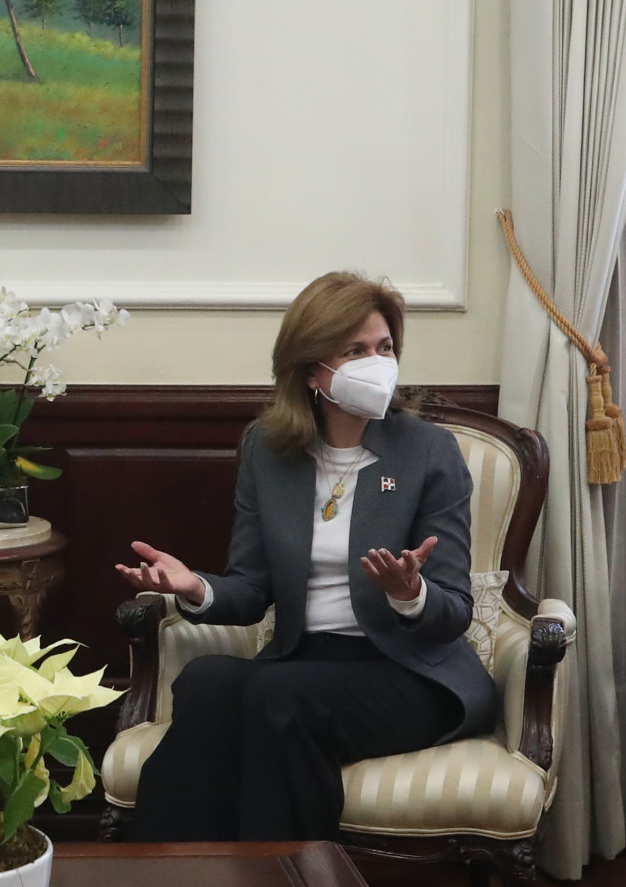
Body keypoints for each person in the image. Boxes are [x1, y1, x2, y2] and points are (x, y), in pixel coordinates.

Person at [115, 271, 495, 840]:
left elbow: (455, 611)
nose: (378, 363)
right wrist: (196, 588)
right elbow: (251, 589)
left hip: (410, 672)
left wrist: (410, 594)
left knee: (277, 695)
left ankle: (288, 872)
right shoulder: (268, 451)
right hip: (306, 662)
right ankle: (178, 869)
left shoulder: (429, 451)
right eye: (356, 351)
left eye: (385, 348)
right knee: (204, 681)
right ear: (312, 370)